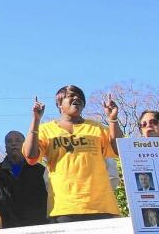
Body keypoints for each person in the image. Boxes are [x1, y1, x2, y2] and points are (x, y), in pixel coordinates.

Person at [22, 85, 122, 222]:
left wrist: (112, 120)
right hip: (64, 209)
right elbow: (31, 157)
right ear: (59, 104)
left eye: (80, 97)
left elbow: (120, 150)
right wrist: (35, 120)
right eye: (71, 96)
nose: (77, 98)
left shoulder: (97, 128)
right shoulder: (46, 129)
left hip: (102, 207)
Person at [0, 130, 48, 227]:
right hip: (9, 228)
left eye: (18, 140)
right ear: (5, 147)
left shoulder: (39, 170)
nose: (13, 143)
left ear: (25, 144)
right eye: (9, 141)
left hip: (38, 226)